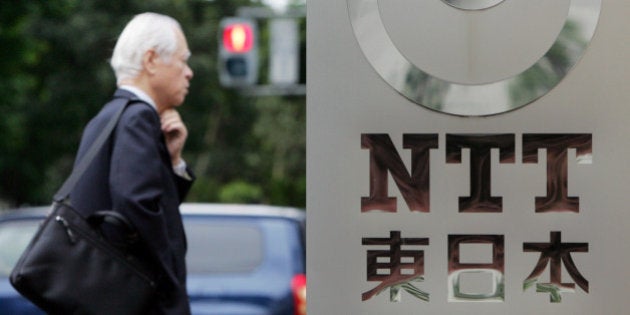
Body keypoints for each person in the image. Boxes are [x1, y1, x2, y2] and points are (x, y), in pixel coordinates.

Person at [69, 12, 194, 314]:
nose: (189, 72)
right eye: (182, 60)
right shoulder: (138, 117)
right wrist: (168, 277)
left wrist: (173, 160)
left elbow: (143, 204)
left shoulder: (111, 115)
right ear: (151, 60)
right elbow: (135, 202)